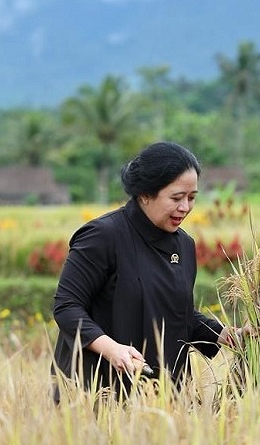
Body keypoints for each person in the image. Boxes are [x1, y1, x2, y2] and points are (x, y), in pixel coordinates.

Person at [51, 141, 240, 403]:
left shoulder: (184, 246)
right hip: (97, 391)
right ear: (145, 195)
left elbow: (178, 314)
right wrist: (112, 349)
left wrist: (228, 335)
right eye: (176, 198)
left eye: (192, 197)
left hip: (161, 395)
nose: (185, 207)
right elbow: (67, 307)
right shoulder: (103, 236)